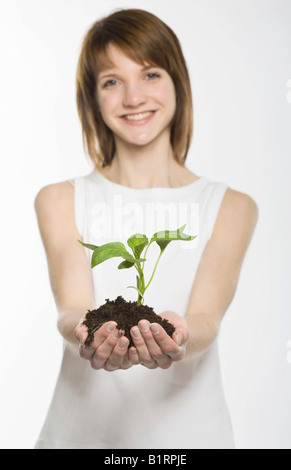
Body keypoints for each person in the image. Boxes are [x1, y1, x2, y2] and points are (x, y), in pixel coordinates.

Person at [34, 8, 258, 449]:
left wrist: (180, 336)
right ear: (92, 99)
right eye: (111, 81)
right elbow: (71, 305)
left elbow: (206, 318)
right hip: (78, 438)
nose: (133, 97)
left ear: (178, 82)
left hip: (192, 439)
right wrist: (84, 328)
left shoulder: (231, 206)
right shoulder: (59, 198)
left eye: (150, 74)